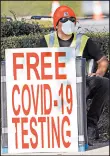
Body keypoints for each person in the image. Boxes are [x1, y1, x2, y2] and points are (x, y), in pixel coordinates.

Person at [39, 5, 109, 146]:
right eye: (64, 19)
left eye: (71, 19)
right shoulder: (46, 41)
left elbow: (103, 61)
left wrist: (99, 73)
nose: (68, 22)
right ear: (56, 24)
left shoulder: (84, 40)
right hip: (53, 86)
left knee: (104, 83)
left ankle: (90, 126)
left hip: (80, 85)